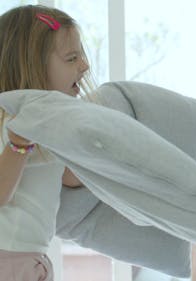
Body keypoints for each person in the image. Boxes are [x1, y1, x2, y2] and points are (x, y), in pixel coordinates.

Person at [0, 5, 93, 281]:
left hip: (28, 257)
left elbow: (68, 176)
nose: (85, 66)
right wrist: (18, 144)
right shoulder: (10, 123)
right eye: (72, 58)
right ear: (33, 68)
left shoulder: (50, 129)